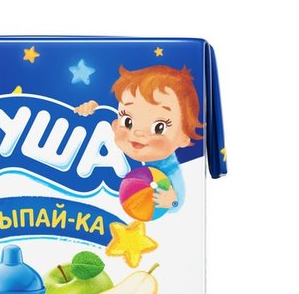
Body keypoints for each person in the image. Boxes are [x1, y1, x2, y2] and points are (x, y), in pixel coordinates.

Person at [75, 65, 203, 214]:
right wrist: (92, 110)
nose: (138, 132)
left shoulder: (169, 168)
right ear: (115, 125)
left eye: (159, 127)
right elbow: (102, 117)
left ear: (184, 138)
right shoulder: (110, 137)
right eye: (128, 121)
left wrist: (171, 201)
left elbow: (177, 202)